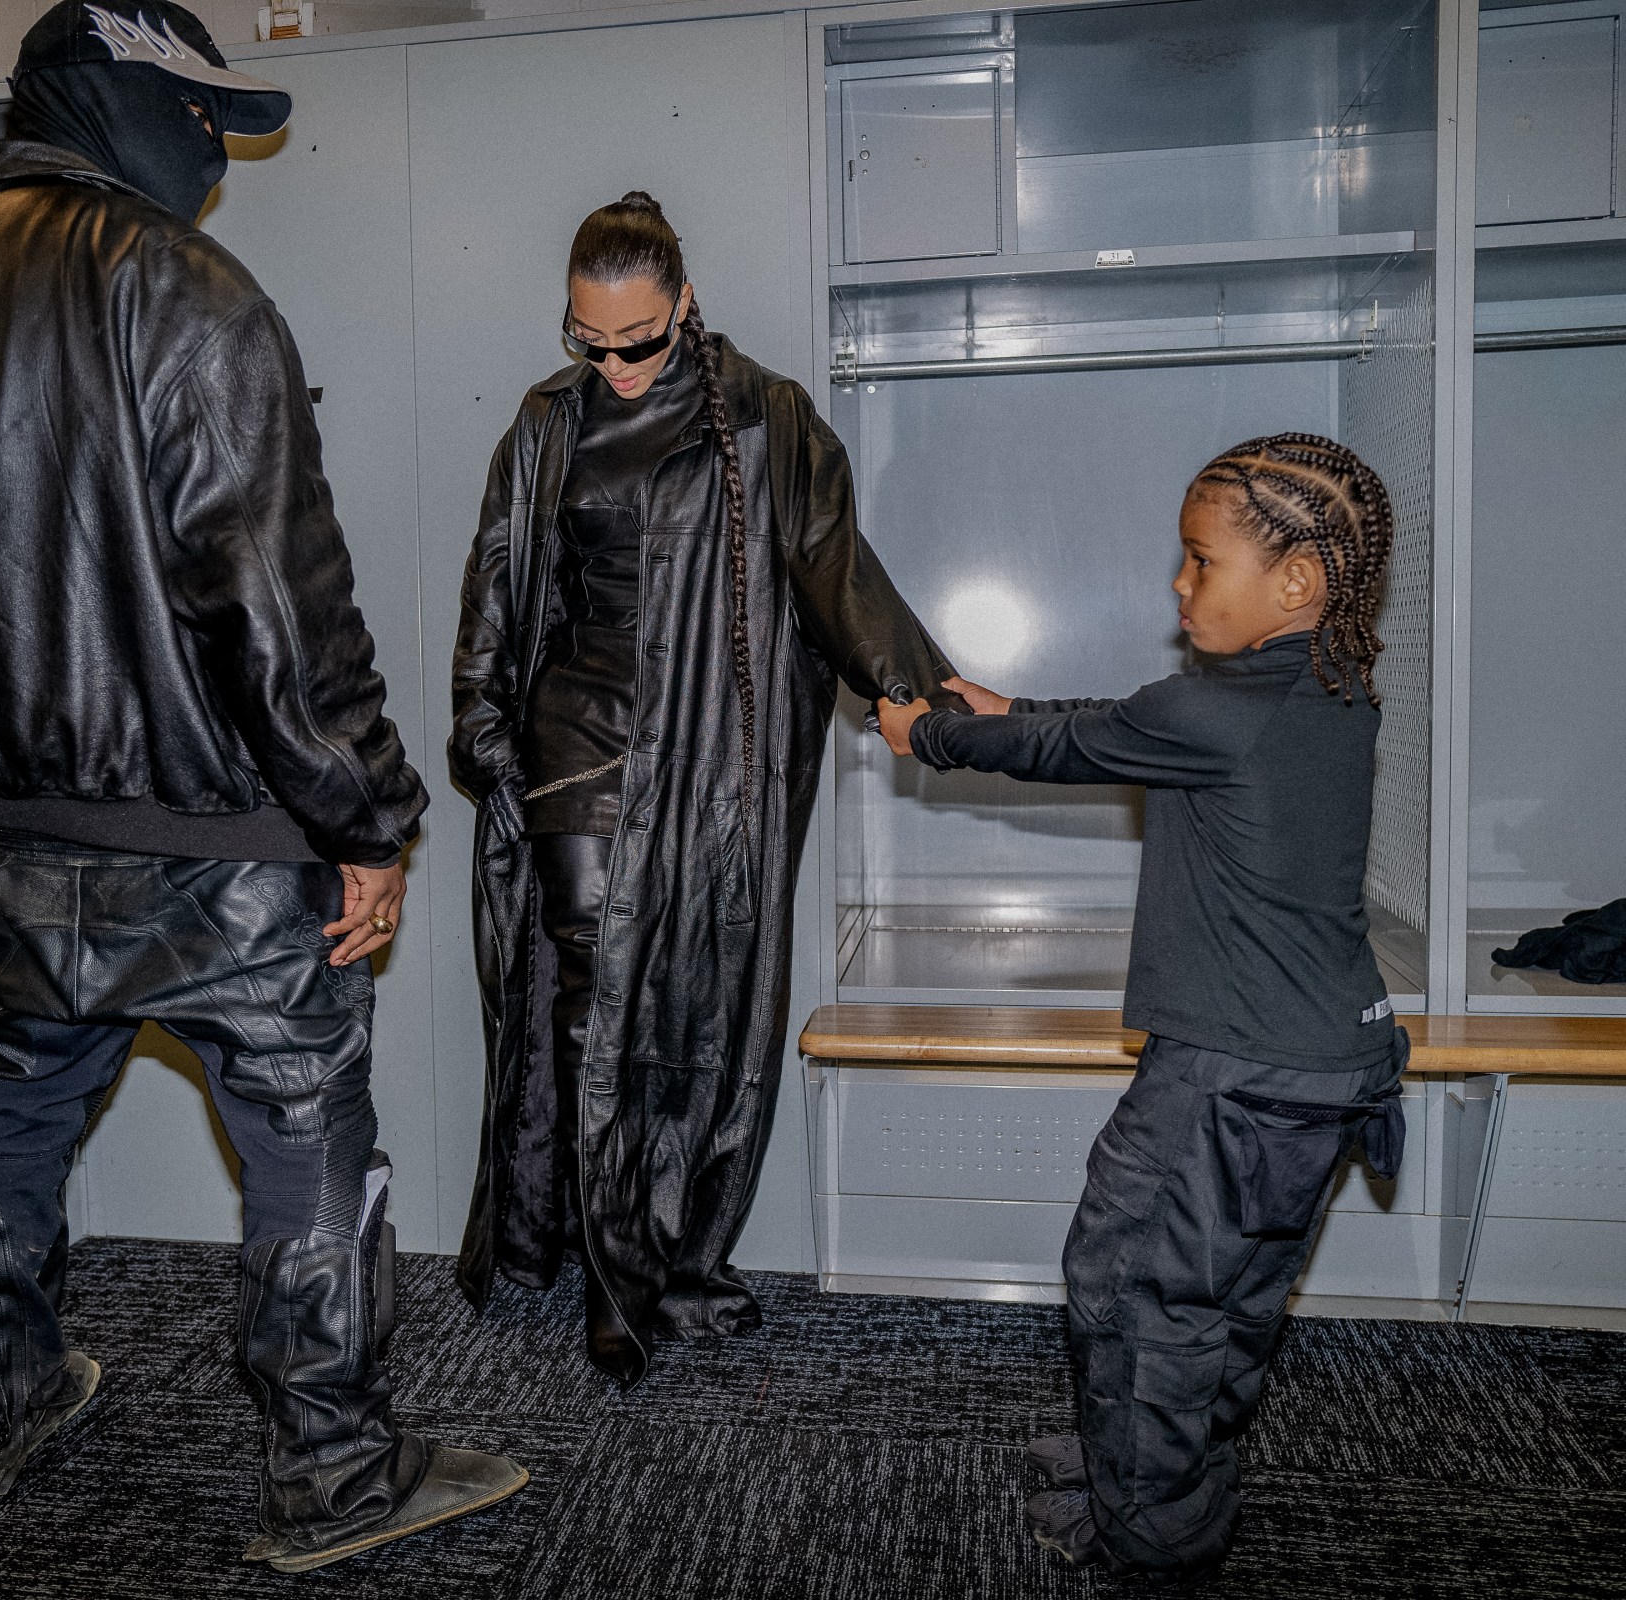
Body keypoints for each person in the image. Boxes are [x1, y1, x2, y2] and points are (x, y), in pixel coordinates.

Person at [0, 0, 525, 1573]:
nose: (213, 157)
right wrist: (370, 822)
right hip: (221, 840)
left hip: (8, 833)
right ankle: (333, 1476)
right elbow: (278, 605)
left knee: (11, 1109)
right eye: (202, 120)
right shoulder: (183, 289)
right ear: (120, 94)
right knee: (305, 1136)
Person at [879, 432, 1411, 1584]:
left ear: (1295, 582)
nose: (1176, 586)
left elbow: (1073, 744)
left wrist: (931, 732)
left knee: (1136, 1293)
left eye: (1197, 561)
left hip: (1229, 1072)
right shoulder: (1328, 686)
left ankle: (1152, 1541)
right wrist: (1008, 699)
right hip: (1315, 1066)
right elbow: (1131, 718)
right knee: (1219, 1298)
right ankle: (1147, 1471)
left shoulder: (1218, 710)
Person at [450, 192, 956, 1386]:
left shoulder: (765, 414)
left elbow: (832, 566)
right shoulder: (545, 421)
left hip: (710, 757)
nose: (616, 365)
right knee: (590, 1004)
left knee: (689, 1007)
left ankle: (663, 1250)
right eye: (591, 341)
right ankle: (612, 1281)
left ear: (682, 303)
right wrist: (482, 726)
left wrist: (912, 686)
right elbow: (496, 581)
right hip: (573, 740)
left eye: (639, 338)